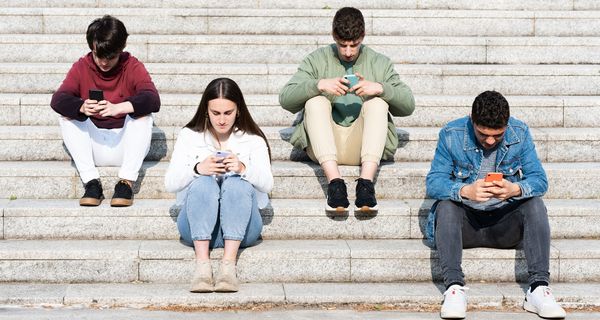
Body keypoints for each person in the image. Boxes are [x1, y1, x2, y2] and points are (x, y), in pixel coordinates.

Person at [425, 91, 566, 319]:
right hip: (465, 226)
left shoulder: (519, 133)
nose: (490, 141)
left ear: (507, 124)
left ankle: (538, 288)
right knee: (446, 206)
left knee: (535, 204)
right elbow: (434, 182)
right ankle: (453, 287)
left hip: (504, 225)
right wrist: (464, 191)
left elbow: (539, 180)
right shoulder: (451, 134)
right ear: (472, 120)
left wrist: (515, 189)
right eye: (483, 134)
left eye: (497, 135)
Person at [279, 7, 415, 214]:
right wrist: (318, 85)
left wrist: (380, 88)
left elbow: (409, 105)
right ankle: (335, 184)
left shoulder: (380, 62)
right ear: (334, 37)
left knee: (377, 103)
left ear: (363, 37)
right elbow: (286, 99)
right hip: (323, 147)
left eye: (354, 45)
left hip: (364, 148)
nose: (349, 52)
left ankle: (366, 185)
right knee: (315, 102)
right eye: (342, 45)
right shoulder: (317, 59)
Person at [164, 78, 273, 293]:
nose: (222, 120)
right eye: (216, 113)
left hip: (244, 228)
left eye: (228, 113)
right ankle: (202, 267)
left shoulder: (253, 140)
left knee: (236, 184)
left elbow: (268, 184)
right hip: (196, 227)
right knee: (203, 182)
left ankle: (228, 267)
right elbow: (170, 183)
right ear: (206, 110)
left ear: (238, 111)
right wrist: (197, 169)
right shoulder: (189, 136)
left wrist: (243, 168)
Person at [51, 15, 160, 207]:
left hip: (125, 146)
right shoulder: (81, 66)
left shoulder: (132, 66)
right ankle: (91, 183)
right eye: (98, 55)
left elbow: (152, 99)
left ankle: (126, 182)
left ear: (121, 49)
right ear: (91, 48)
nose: (103, 62)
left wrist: (119, 107)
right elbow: (58, 100)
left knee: (143, 116)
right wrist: (81, 107)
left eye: (110, 56)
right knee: (67, 116)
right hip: (93, 145)